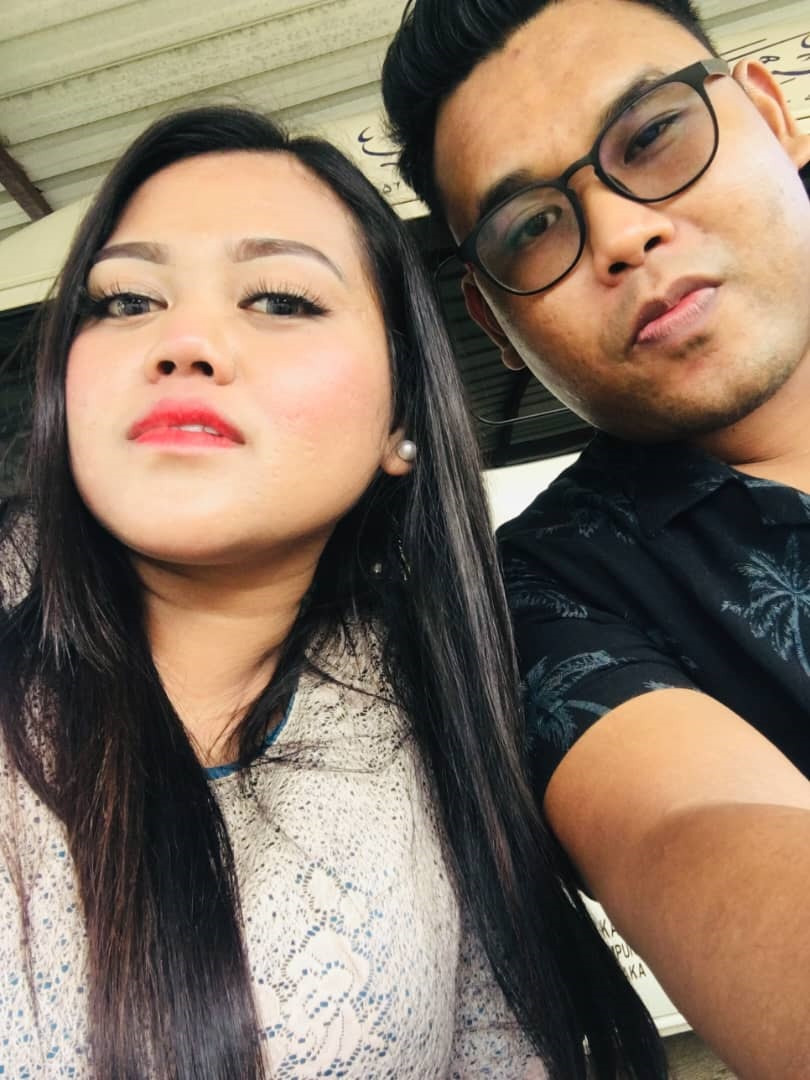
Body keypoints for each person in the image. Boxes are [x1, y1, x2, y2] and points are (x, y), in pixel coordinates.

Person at [0, 106, 666, 1078]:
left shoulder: (446, 713)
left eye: (279, 299)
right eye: (125, 300)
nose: (183, 341)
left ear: (402, 420)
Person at [382, 1, 810, 1076]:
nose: (621, 237)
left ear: (771, 114)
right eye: (531, 228)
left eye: (653, 134)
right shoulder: (544, 604)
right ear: (494, 323)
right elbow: (691, 831)